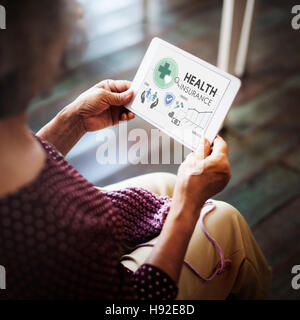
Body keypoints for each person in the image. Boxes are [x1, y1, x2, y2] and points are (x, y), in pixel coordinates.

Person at [0, 0, 271, 299]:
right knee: (226, 220)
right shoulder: (60, 232)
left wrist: (72, 122)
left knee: (166, 183)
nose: (76, 14)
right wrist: (187, 204)